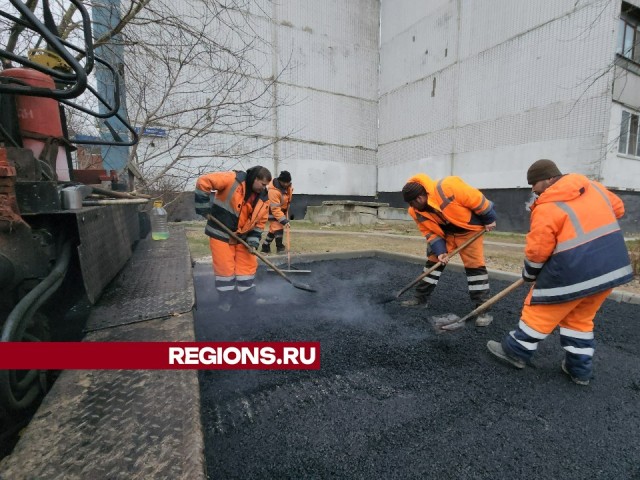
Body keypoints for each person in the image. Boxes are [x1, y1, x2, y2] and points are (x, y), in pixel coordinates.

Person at [487, 159, 633, 385]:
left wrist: (530, 273)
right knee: (580, 319)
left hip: (575, 271)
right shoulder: (593, 187)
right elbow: (619, 209)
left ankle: (515, 351)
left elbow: (537, 251)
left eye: (533, 184)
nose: (532, 190)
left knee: (540, 310)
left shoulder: (547, 206)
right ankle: (579, 370)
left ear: (547, 179)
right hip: (611, 268)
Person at [401, 173, 497, 326]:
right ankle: (420, 299)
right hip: (444, 235)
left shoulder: (448, 187)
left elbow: (478, 200)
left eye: (413, 203)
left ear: (419, 198)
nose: (412, 208)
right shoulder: (415, 211)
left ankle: (482, 309)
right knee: (432, 264)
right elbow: (429, 232)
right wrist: (440, 252)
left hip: (468, 231)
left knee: (475, 268)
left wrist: (489, 218)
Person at [194, 166, 272, 311]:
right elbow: (203, 181)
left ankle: (248, 300)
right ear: (255, 179)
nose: (264, 188)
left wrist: (253, 241)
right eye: (262, 184)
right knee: (225, 271)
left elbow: (260, 223)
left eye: (266, 185)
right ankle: (225, 302)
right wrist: (202, 206)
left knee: (247, 269)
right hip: (221, 233)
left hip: (243, 237)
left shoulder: (264, 198)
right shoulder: (232, 179)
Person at [261, 170, 293, 254]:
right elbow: (275, 209)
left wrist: (286, 211)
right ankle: (280, 248)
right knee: (278, 228)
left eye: (288, 182)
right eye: (285, 182)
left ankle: (265, 246)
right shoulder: (273, 191)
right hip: (271, 211)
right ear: (280, 181)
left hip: (280, 211)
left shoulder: (288, 187)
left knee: (273, 230)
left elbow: (287, 199)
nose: (286, 184)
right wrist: (284, 221)